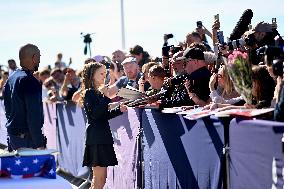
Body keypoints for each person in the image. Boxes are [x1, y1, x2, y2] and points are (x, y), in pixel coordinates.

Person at [79, 62, 128, 189]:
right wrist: (106, 97)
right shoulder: (89, 93)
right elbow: (95, 115)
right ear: (92, 75)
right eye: (101, 73)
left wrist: (118, 110)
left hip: (101, 136)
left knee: (99, 178)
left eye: (105, 73)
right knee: (100, 178)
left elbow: (103, 115)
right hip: (97, 138)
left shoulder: (98, 93)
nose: (104, 76)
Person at [3, 44, 45, 151]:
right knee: (33, 168)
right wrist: (39, 143)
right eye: (39, 57)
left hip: (13, 137)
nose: (39, 60)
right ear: (34, 58)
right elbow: (33, 115)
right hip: (26, 140)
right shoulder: (29, 81)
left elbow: (7, 108)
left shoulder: (11, 78)